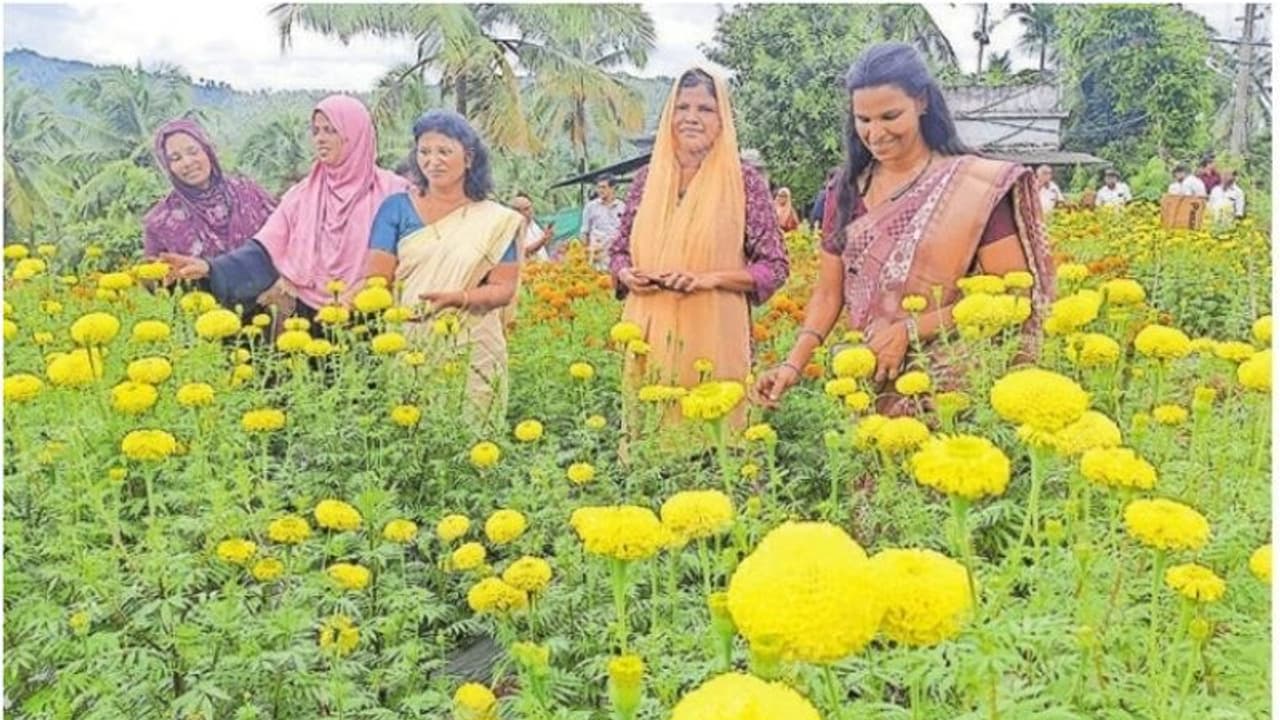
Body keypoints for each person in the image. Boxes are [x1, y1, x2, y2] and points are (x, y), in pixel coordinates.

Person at [751, 43, 1054, 416]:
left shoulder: (972, 186)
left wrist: (911, 330)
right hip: (871, 389)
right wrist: (791, 365)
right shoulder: (844, 191)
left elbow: (1013, 297)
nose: (875, 133)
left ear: (922, 102)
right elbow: (829, 296)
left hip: (956, 395)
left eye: (890, 116)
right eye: (863, 120)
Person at [609, 68, 790, 428]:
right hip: (649, 344)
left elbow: (775, 266)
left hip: (715, 343)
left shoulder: (743, 182)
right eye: (682, 107)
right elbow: (618, 252)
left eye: (705, 109)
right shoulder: (647, 181)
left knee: (716, 454)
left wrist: (711, 279)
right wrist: (626, 274)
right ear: (669, 116)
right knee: (651, 458)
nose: (691, 118)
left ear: (722, 119)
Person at [161, 95, 409, 324]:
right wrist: (209, 268)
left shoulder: (393, 192)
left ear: (355, 135)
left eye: (331, 130)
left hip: (377, 318)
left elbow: (415, 253)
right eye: (316, 131)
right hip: (312, 321)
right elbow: (264, 251)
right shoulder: (302, 195)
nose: (320, 138)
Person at [364, 110, 525, 430]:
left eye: (444, 151)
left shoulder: (495, 220)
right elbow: (377, 281)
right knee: (414, 438)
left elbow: (504, 288)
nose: (432, 161)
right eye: (424, 152)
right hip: (411, 342)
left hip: (474, 345)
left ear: (468, 158)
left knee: (475, 437)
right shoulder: (396, 208)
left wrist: (459, 298)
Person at [143, 118, 276, 259]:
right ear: (168, 167)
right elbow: (155, 276)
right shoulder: (160, 222)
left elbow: (285, 239)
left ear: (208, 152)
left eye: (193, 152)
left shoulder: (249, 192)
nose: (187, 162)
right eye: (176, 158)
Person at [581, 176, 625, 270]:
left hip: (616, 254)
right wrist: (585, 252)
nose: (600, 190)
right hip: (597, 254)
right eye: (598, 187)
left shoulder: (622, 207)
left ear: (613, 188)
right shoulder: (591, 207)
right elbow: (585, 231)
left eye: (603, 187)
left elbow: (625, 232)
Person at [511, 192, 553, 262]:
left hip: (543, 267)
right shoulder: (516, 229)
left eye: (530, 207)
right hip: (530, 270)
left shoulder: (534, 223)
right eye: (526, 209)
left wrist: (547, 236)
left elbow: (543, 245)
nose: (531, 211)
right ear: (518, 212)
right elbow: (525, 252)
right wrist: (542, 240)